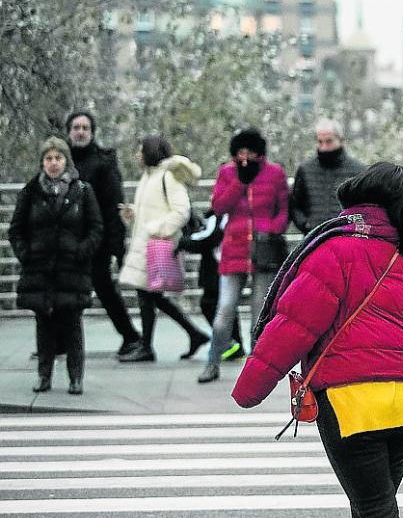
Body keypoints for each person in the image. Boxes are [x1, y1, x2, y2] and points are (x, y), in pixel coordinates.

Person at [232, 162, 403, 518]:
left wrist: (248, 389)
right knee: (370, 515)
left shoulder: (335, 251)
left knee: (375, 516)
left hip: (349, 402)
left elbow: (292, 324)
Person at [9, 137, 102, 395]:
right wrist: (26, 254)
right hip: (39, 268)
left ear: (66, 161)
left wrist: (82, 251)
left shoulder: (82, 190)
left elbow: (96, 227)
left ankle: (75, 377)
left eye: (58, 158)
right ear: (42, 162)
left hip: (72, 268)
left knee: (72, 324)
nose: (53, 164)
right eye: (48, 159)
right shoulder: (30, 192)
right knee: (44, 324)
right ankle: (44, 375)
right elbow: (16, 230)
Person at [198, 127, 289, 384]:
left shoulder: (275, 173)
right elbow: (218, 206)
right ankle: (212, 362)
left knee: (259, 311)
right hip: (234, 249)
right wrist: (240, 181)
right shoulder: (228, 173)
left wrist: (271, 230)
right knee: (225, 309)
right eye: (240, 152)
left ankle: (256, 367)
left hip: (264, 250)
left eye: (250, 151)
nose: (245, 157)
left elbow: (283, 209)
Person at [117, 136, 210, 362]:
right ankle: (192, 334)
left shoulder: (168, 176)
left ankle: (148, 346)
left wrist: (156, 228)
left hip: (156, 244)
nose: (137, 155)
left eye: (140, 151)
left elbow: (181, 211)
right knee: (152, 296)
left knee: (149, 296)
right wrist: (132, 214)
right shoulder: (149, 177)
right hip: (145, 244)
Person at [65, 110, 142, 357]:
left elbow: (114, 206)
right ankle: (58, 341)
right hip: (67, 240)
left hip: (96, 239)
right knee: (62, 289)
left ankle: (130, 336)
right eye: (76, 127)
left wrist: (116, 246)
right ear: (69, 131)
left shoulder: (103, 163)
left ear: (92, 132)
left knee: (103, 287)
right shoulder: (61, 160)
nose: (80, 132)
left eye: (85, 128)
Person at [175, 211, 245, 360]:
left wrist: (185, 242)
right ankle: (233, 343)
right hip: (217, 268)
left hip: (219, 269)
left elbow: (208, 238)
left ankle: (231, 343)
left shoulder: (220, 216)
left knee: (213, 305)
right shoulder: (218, 216)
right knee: (222, 306)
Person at [289, 118, 366, 234]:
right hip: (313, 237)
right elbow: (295, 205)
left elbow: (364, 207)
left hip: (346, 238)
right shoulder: (305, 170)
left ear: (340, 140)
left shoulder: (358, 170)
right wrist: (305, 224)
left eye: (329, 141)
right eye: (320, 142)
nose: (324, 147)